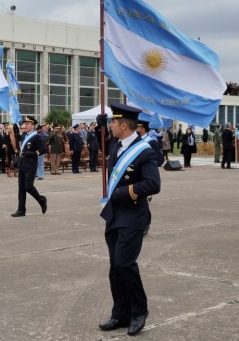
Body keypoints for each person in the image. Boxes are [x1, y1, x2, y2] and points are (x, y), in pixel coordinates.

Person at [97, 103, 161, 336]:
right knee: (115, 268)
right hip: (114, 215)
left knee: (125, 263)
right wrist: (99, 127)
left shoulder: (145, 151)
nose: (111, 125)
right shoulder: (117, 144)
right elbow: (102, 143)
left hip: (133, 216)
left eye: (113, 122)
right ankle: (120, 313)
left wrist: (123, 193)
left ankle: (139, 311)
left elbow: (154, 184)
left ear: (123, 125)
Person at [11, 116, 47, 217]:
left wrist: (32, 154)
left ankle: (42, 200)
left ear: (33, 126)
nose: (25, 125)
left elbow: (43, 149)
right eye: (25, 124)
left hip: (31, 165)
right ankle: (21, 210)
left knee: (28, 187)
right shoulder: (24, 135)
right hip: (22, 164)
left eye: (27, 124)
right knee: (21, 188)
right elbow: (20, 147)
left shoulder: (37, 137)